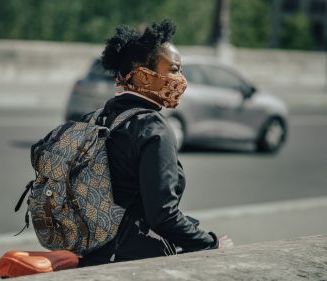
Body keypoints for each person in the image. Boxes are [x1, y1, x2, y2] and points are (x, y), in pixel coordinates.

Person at [79, 20, 233, 266]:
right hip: (129, 260)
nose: (181, 79)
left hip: (90, 252)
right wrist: (211, 243)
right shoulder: (153, 129)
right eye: (173, 70)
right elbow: (162, 216)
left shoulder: (97, 118)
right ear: (143, 76)